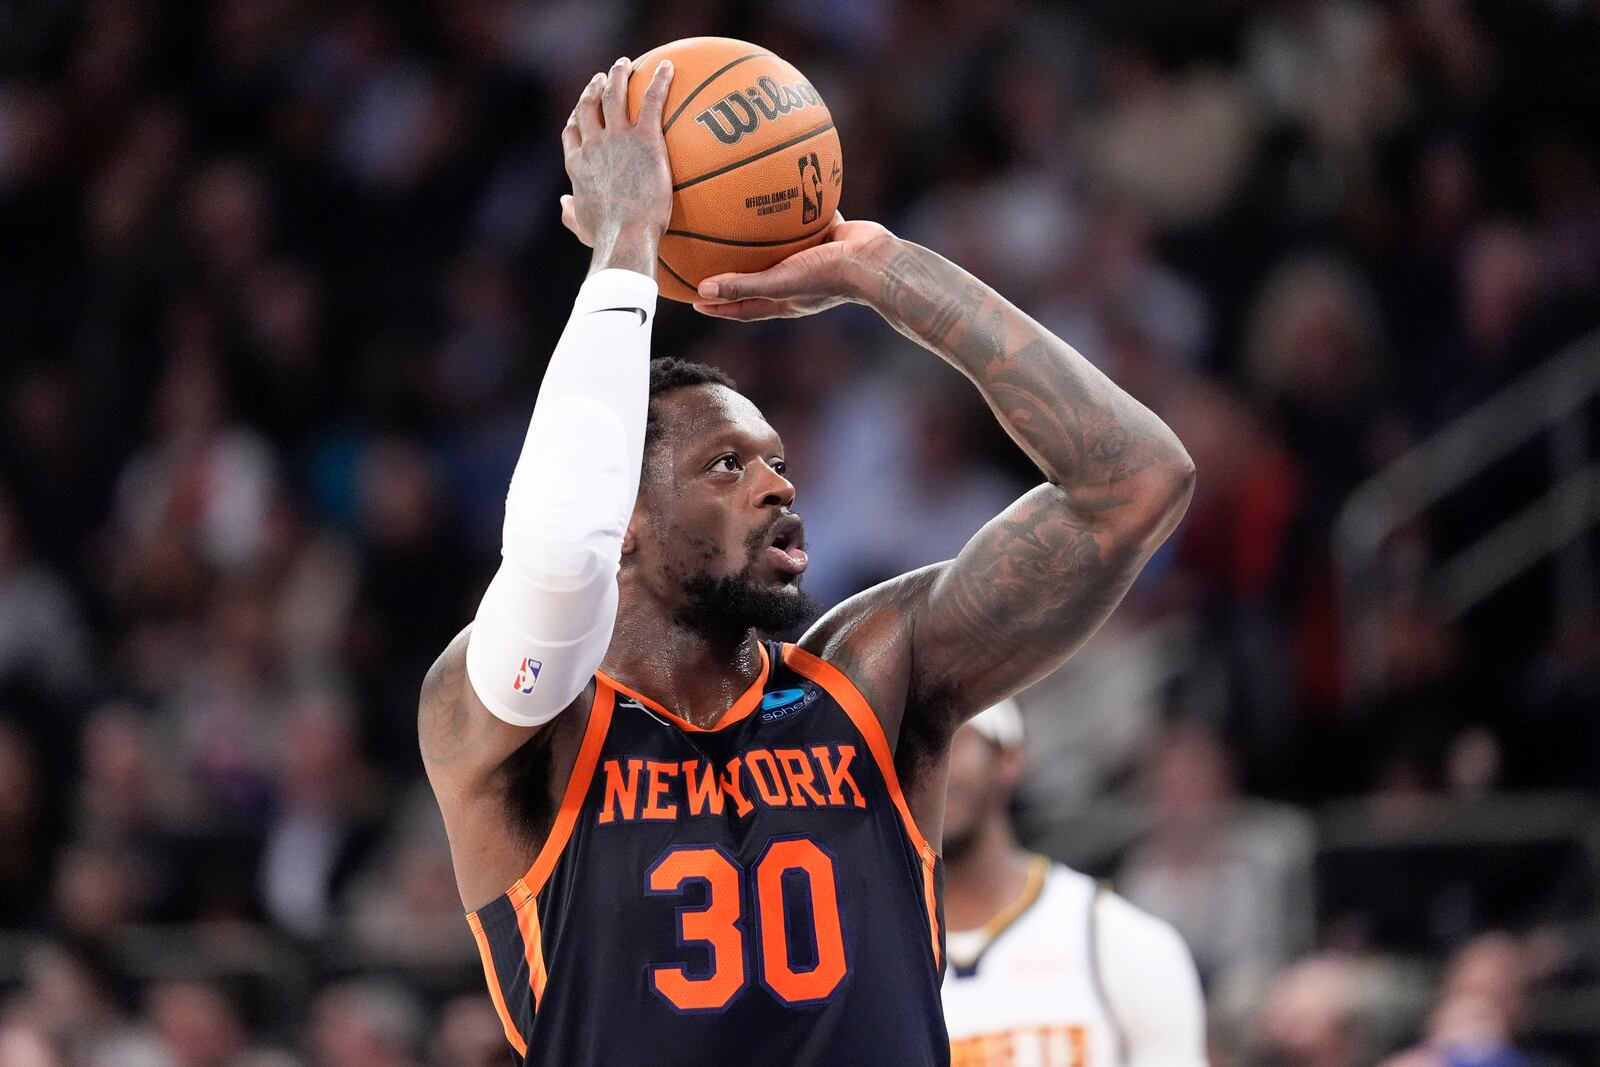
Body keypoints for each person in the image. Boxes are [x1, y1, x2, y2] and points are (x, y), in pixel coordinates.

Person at [418, 56, 1194, 1066]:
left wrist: (883, 271)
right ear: (630, 521)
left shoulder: (872, 672)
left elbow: (1135, 479)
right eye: (726, 465)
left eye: (780, 463)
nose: (777, 487)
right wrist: (626, 241)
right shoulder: (519, 723)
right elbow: (562, 547)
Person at [941, 701, 1207, 1067]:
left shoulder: (1117, 939)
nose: (930, 768)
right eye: (909, 752)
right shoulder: (866, 953)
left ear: (1009, 758)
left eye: (950, 741)